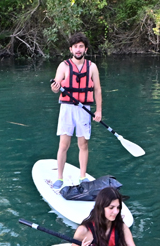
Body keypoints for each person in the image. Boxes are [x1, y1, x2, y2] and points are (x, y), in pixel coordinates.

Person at [49, 33, 103, 189]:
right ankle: (59, 178)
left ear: (85, 49)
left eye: (81, 46)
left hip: (84, 109)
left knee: (83, 144)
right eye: (75, 47)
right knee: (63, 144)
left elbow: (98, 90)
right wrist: (55, 88)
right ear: (71, 49)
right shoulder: (64, 66)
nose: (78, 50)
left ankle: (83, 177)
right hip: (67, 109)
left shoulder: (92, 67)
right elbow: (56, 87)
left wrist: (98, 111)